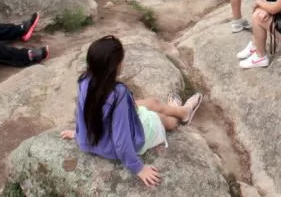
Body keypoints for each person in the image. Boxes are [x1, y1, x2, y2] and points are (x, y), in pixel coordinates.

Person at [60, 36, 203, 188]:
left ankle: (182, 111)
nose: (123, 62)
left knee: (153, 102)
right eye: (121, 59)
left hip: (103, 127)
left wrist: (79, 134)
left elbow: (81, 113)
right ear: (115, 66)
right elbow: (121, 140)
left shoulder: (85, 80)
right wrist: (138, 168)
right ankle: (181, 115)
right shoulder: (118, 94)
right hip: (114, 142)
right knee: (164, 120)